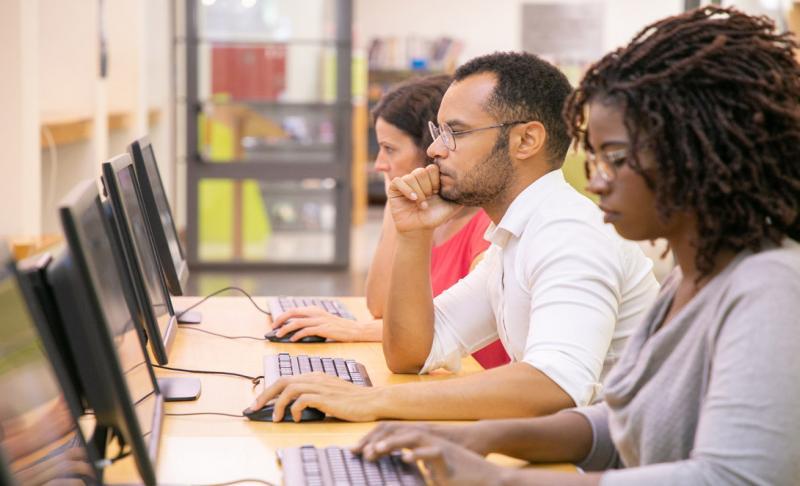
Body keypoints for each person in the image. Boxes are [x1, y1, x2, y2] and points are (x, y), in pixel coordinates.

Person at [351, 6, 800, 484]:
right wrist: (487, 438)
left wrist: (501, 477)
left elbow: (732, 479)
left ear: (692, 159)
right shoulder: (691, 279)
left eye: (615, 158)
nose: (596, 179)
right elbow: (621, 423)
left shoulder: (767, 288)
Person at [246, 51, 660, 422]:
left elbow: (555, 386)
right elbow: (412, 352)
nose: (435, 151)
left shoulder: (568, 233)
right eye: (437, 132)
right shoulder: (514, 237)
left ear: (526, 140)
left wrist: (371, 401)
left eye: (455, 133)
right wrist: (413, 235)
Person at [268, 74, 510, 369]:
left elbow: (441, 333)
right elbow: (380, 305)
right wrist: (395, 210)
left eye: (390, 149)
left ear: (431, 152)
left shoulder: (486, 228)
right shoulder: (431, 223)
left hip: (472, 386)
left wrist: (355, 330)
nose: (380, 163)